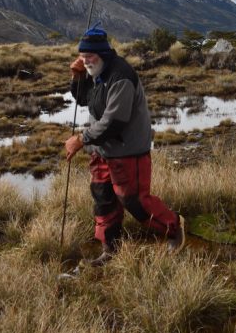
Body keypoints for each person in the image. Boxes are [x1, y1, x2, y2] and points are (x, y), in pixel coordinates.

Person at [65, 24, 185, 264]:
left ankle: (175, 227)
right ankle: (110, 248)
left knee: (133, 200)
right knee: (103, 198)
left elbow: (113, 123)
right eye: (82, 56)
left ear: (104, 54)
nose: (86, 61)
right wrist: (76, 76)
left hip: (127, 150)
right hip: (101, 150)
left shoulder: (121, 76)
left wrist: (81, 139)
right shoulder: (97, 72)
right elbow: (83, 99)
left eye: (90, 56)